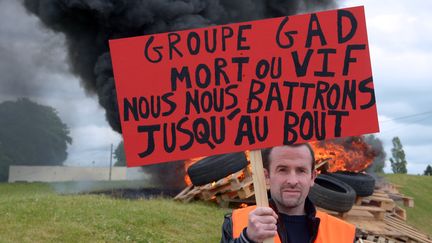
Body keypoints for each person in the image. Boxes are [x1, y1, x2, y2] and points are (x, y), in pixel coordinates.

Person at [220, 144, 356, 243]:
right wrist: (247, 240)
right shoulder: (237, 222)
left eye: (301, 170)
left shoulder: (343, 234)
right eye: (282, 170)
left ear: (312, 177)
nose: (292, 181)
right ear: (266, 176)